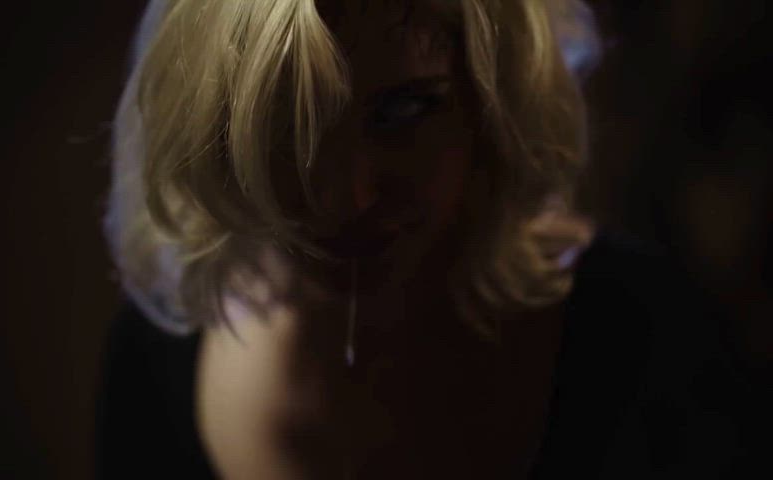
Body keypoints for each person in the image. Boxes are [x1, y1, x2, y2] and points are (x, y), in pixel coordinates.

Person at [97, 1, 620, 478]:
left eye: (404, 111)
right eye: (290, 119)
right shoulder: (154, 364)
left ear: (493, 93)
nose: (347, 199)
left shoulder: (633, 331)